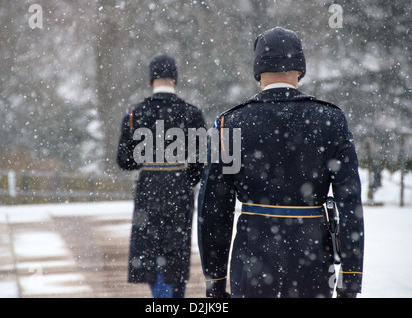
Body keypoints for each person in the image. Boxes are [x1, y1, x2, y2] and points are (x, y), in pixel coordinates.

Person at [197, 27, 364, 298]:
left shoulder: (229, 124)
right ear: (299, 70)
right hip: (312, 257)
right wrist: (351, 279)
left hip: (252, 259)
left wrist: (214, 280)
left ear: (258, 72)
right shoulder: (331, 120)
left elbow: (214, 210)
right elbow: (349, 202)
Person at [117, 54, 206, 298]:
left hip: (149, 188)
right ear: (174, 78)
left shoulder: (136, 113)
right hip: (178, 188)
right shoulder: (191, 113)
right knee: (176, 255)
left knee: (150, 251)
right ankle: (173, 297)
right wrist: (184, 178)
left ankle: (161, 297)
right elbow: (201, 160)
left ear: (152, 79)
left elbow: (123, 161)